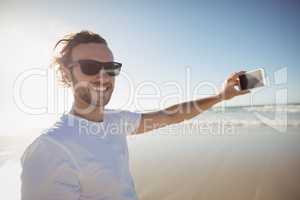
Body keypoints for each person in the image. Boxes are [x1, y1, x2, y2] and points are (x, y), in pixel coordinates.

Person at [20, 30, 249, 200]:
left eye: (110, 68)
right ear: (66, 73)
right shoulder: (50, 148)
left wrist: (221, 96)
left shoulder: (115, 121)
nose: (103, 76)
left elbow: (169, 116)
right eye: (90, 67)